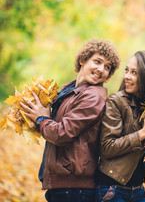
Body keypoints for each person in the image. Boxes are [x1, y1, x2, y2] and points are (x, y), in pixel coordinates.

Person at [20, 38, 120, 202]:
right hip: (63, 185)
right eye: (97, 61)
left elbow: (62, 132)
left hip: (75, 187)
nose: (101, 69)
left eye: (107, 67)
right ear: (82, 60)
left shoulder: (93, 97)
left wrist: (40, 119)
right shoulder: (70, 91)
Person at [95, 51, 145, 202]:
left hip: (137, 190)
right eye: (127, 70)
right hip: (111, 188)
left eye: (134, 72)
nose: (126, 76)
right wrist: (143, 133)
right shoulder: (116, 101)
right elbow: (107, 147)